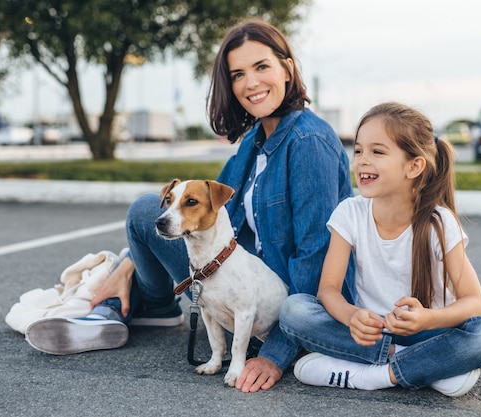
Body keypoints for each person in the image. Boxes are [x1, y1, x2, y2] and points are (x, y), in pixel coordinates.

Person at [25, 18, 356, 393]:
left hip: (279, 299)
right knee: (145, 212)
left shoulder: (309, 142)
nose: (250, 83)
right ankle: (145, 301)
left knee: (294, 308)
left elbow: (315, 255)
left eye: (262, 67)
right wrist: (132, 261)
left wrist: (274, 354)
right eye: (237, 74)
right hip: (232, 274)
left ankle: (114, 309)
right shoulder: (255, 141)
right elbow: (204, 212)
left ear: (287, 68)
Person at [278, 102, 481, 397]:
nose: (363, 161)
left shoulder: (439, 222)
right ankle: (427, 368)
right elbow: (328, 291)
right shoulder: (349, 213)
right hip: (371, 333)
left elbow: (475, 303)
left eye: (377, 152)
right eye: (359, 150)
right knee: (293, 310)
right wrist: (352, 316)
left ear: (414, 166)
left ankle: (377, 374)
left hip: (429, 332)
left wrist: (427, 319)